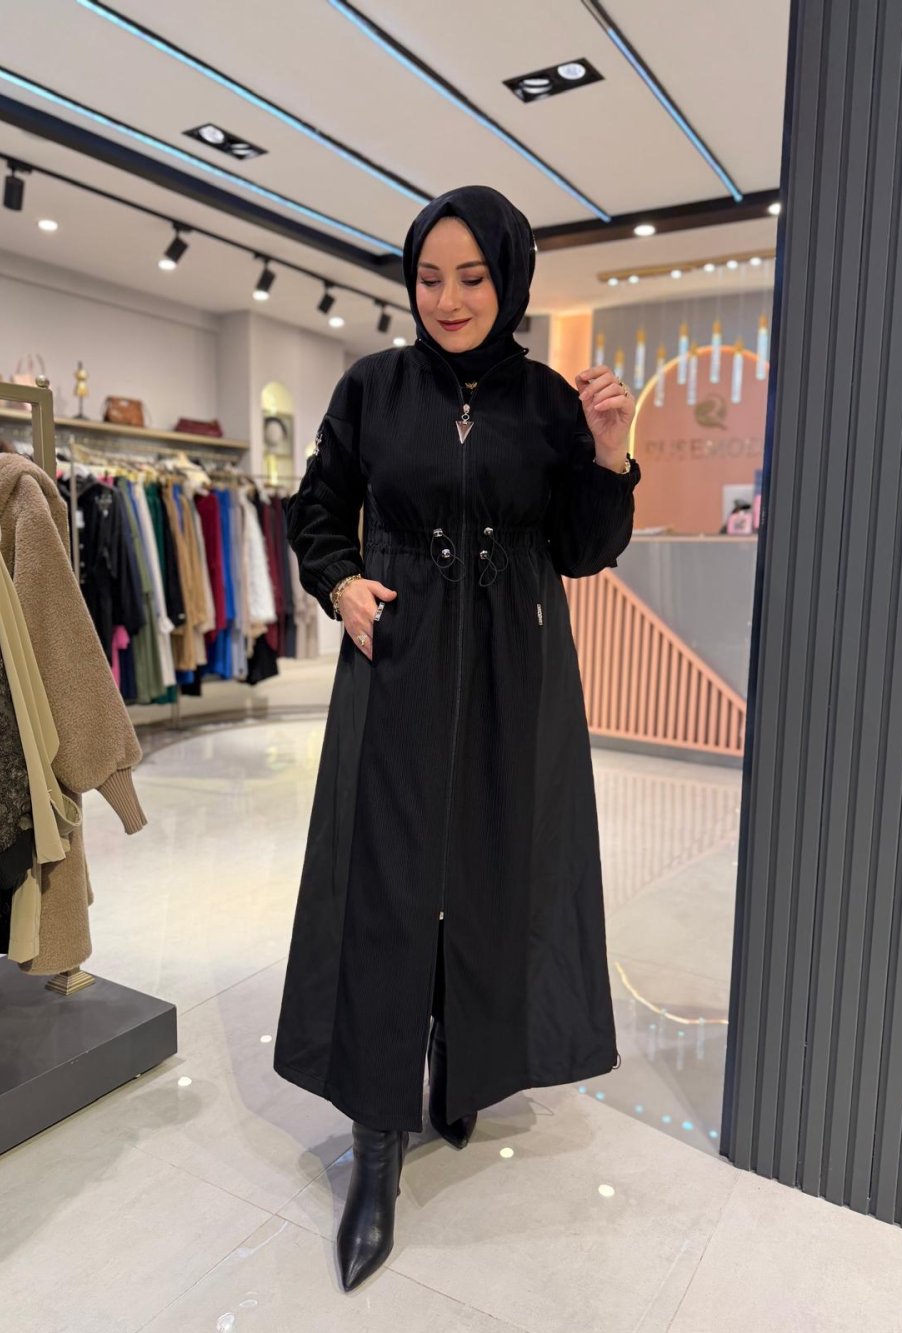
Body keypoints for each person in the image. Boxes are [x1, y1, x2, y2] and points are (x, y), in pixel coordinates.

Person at [274, 185, 640, 1292]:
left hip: (516, 669)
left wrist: (609, 453)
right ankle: (375, 1136)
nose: (447, 298)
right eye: (429, 277)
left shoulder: (548, 403)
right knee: (389, 885)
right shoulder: (372, 389)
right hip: (400, 657)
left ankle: (464, 1066)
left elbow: (582, 550)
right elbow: (316, 510)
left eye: (471, 277)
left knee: (489, 872)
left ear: (508, 280)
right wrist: (339, 583)